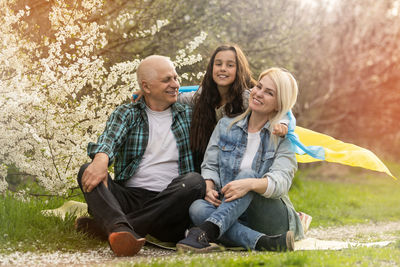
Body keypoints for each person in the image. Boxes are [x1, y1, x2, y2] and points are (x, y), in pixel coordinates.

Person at [76, 55, 206, 257]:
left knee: (195, 181)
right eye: (166, 80)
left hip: (172, 202)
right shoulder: (128, 113)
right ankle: (121, 229)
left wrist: (181, 88)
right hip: (130, 197)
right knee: (87, 169)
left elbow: (215, 91)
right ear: (146, 87)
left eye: (176, 78)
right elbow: (109, 139)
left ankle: (118, 228)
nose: (175, 85)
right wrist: (101, 158)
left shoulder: (189, 112)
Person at [176, 67, 304, 252]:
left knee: (248, 175)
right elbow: (210, 164)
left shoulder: (284, 138)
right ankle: (264, 242)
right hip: (231, 212)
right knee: (197, 208)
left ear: (279, 104)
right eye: (259, 87)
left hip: (269, 216)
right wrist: (210, 185)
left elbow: (281, 182)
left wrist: (250, 184)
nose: (258, 94)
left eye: (269, 93)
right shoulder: (226, 126)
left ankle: (206, 231)